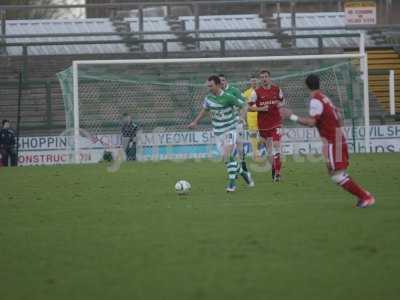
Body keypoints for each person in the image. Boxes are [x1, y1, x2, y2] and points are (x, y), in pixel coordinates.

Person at [280, 74, 375, 208]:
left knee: (337, 175)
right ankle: (363, 195)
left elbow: (312, 122)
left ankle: (365, 197)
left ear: (306, 85)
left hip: (333, 140)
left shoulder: (315, 100)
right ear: (319, 84)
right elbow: (339, 115)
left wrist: (292, 116)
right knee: (333, 170)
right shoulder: (325, 98)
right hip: (336, 137)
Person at [188, 75, 254, 192]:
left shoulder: (228, 97)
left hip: (230, 130)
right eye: (208, 86)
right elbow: (205, 110)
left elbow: (244, 105)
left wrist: (241, 117)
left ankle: (232, 184)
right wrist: (195, 122)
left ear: (218, 85)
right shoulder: (208, 98)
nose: (209, 88)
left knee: (228, 156)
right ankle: (243, 173)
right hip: (218, 133)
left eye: (211, 86)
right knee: (227, 158)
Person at [249, 70, 285, 182]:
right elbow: (250, 107)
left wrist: (280, 104)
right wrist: (261, 109)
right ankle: (274, 169)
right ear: (260, 79)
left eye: (266, 76)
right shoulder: (256, 92)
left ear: (270, 78)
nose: (264, 79)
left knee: (276, 144)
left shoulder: (277, 89)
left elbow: (283, 101)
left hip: (276, 123)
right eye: (262, 77)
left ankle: (278, 173)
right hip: (263, 125)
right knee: (269, 150)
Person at [218, 74, 252, 182]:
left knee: (239, 145)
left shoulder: (234, 91)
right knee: (228, 147)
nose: (222, 82)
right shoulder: (217, 93)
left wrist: (242, 117)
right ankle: (235, 169)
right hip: (224, 124)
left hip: (236, 122)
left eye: (223, 80)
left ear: (226, 81)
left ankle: (242, 164)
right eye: (220, 81)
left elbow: (245, 103)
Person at [242, 75, 260, 160]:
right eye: (252, 81)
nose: (254, 82)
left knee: (263, 136)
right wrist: (244, 119)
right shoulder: (246, 93)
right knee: (253, 135)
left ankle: (259, 150)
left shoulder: (261, 91)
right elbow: (245, 106)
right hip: (251, 117)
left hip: (262, 115)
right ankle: (256, 154)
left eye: (255, 81)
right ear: (250, 82)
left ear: (258, 81)